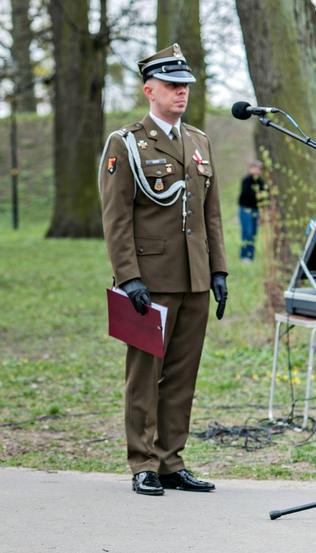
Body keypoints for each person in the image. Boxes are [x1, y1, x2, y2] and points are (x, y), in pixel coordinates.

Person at [98, 44, 228, 496]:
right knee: (144, 373)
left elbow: (211, 215)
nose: (181, 92)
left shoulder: (199, 141)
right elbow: (117, 218)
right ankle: (143, 462)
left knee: (183, 375)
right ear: (148, 89)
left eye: (185, 85)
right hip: (150, 280)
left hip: (193, 278)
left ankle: (172, 461)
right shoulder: (126, 143)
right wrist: (128, 276)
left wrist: (219, 271)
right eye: (172, 85)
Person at [238, 160, 267, 261]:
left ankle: (251, 255)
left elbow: (264, 195)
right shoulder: (247, 180)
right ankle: (245, 255)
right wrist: (258, 194)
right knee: (247, 232)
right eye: (257, 168)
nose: (259, 171)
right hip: (246, 209)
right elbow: (247, 193)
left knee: (253, 233)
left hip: (255, 210)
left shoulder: (260, 182)